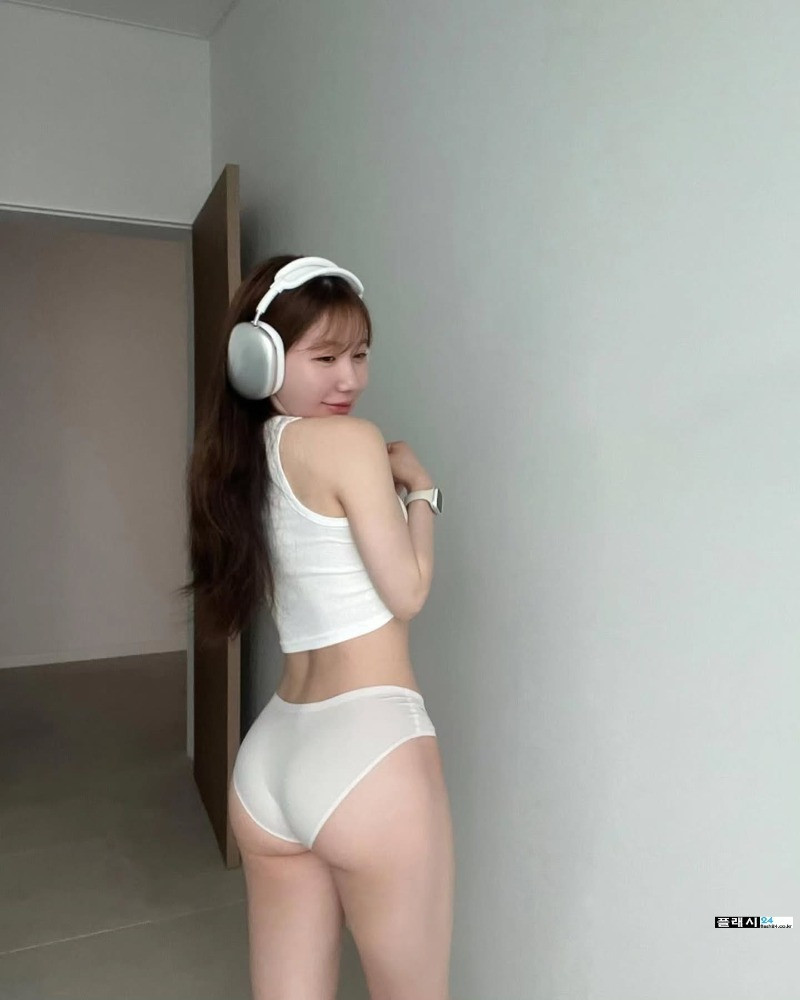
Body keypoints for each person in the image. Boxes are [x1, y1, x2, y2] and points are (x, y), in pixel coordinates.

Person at [182, 254, 454, 1000]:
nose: (350, 380)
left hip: (271, 760)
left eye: (360, 355)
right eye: (325, 357)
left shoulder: (240, 459)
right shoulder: (350, 442)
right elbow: (408, 592)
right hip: (370, 753)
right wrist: (423, 493)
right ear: (260, 358)